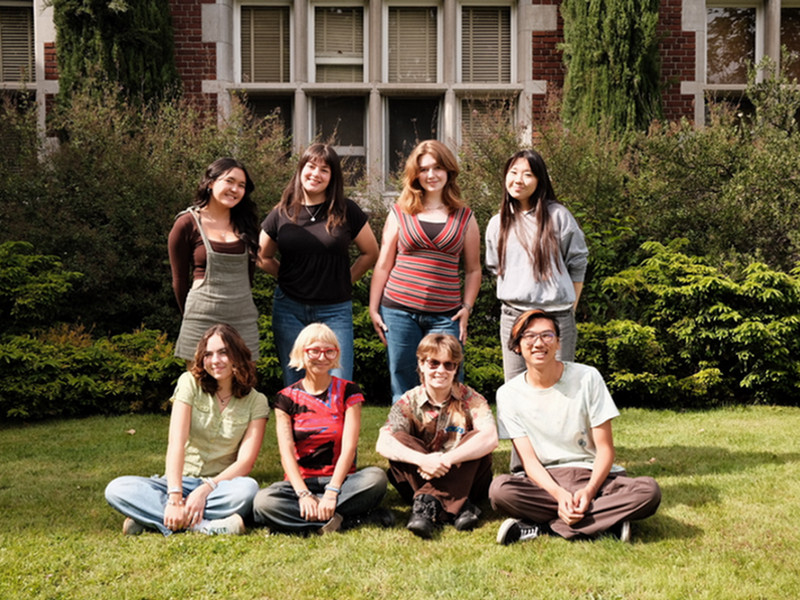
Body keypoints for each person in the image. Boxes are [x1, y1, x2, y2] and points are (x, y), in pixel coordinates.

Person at [489, 310, 661, 545]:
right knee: (500, 491)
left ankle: (543, 527)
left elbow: (605, 449)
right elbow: (528, 462)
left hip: (592, 476)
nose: (539, 343)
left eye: (547, 335)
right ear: (518, 346)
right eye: (529, 336)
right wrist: (559, 495)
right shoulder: (508, 394)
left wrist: (589, 491)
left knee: (648, 491)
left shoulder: (587, 377)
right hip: (545, 482)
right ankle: (604, 522)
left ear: (558, 342)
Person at [105, 324, 268, 536]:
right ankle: (204, 526)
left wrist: (205, 490)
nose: (215, 360)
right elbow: (176, 443)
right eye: (208, 354)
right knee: (117, 489)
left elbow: (245, 463)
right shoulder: (189, 383)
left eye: (223, 353)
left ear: (237, 355)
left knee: (248, 489)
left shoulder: (257, 401)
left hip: (220, 486)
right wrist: (174, 496)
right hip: (177, 481)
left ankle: (150, 519)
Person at [370, 140, 481, 403]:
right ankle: (405, 439)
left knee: (449, 381)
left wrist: (467, 307)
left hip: (447, 315)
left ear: (449, 171)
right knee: (403, 381)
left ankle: (449, 438)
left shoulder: (465, 218)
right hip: (398, 310)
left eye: (437, 168)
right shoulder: (399, 213)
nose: (431, 175)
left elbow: (474, 270)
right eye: (424, 169)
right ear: (415, 175)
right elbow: (384, 264)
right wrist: (374, 309)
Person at [252, 323, 390, 534]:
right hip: (300, 482)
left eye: (329, 351)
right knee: (264, 501)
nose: (322, 357)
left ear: (336, 354)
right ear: (301, 352)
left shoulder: (349, 391)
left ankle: (301, 522)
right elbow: (286, 453)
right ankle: (347, 520)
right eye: (314, 351)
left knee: (376, 478)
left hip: (342, 482)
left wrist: (332, 491)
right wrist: (304, 494)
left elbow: (349, 448)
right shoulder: (286, 398)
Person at [258, 144, 379, 385]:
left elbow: (371, 253)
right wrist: (289, 277)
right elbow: (262, 256)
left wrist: (345, 279)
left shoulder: (347, 210)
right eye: (311, 166)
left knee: (339, 379)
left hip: (335, 310)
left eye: (325, 169)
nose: (316, 174)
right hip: (289, 308)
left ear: (332, 177)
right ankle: (298, 424)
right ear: (301, 170)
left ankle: (336, 424)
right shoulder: (282, 212)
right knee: (295, 379)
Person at [375, 333, 497, 538]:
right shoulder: (408, 400)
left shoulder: (472, 398)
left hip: (468, 478)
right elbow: (383, 442)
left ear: (456, 368)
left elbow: (490, 438)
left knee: (475, 439)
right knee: (399, 439)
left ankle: (427, 505)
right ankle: (460, 506)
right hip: (423, 474)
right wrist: (423, 460)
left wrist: (446, 459)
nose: (441, 370)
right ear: (421, 364)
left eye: (448, 365)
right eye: (433, 363)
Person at [485, 149, 588, 382]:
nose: (518, 180)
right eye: (513, 172)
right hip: (513, 316)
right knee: (515, 388)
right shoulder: (497, 223)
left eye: (527, 174)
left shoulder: (558, 216)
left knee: (561, 386)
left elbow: (578, 262)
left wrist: (571, 307)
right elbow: (494, 267)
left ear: (540, 180)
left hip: (556, 316)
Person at [168, 158, 261, 362]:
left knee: (244, 384)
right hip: (201, 320)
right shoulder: (186, 224)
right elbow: (179, 282)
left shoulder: (247, 226)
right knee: (199, 385)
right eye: (229, 181)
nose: (235, 189)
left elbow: (249, 277)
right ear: (210, 183)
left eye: (241, 185)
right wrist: (191, 316)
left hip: (243, 319)